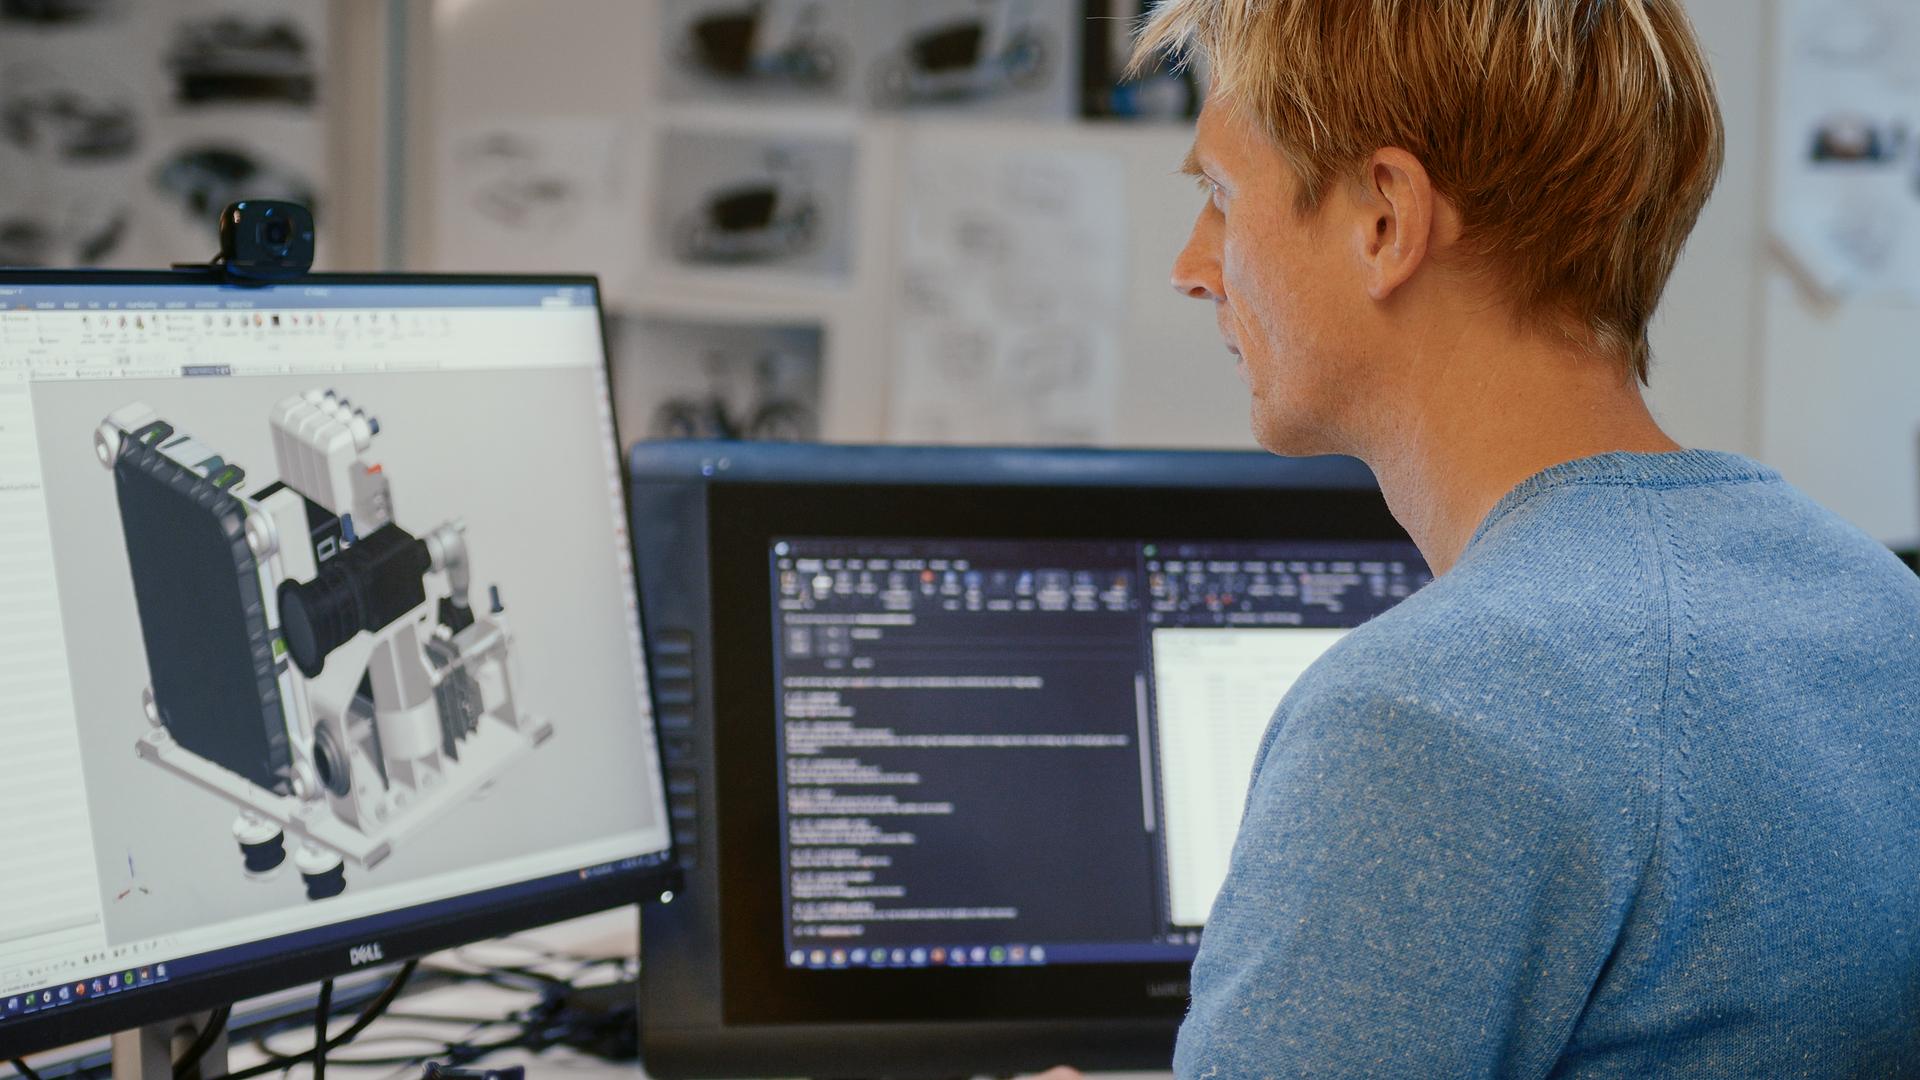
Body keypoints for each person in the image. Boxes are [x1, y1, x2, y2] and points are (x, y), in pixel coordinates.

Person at [1050, 0, 1920, 1075]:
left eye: (1223, 199)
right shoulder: (1879, 607)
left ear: (1385, 221)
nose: (1193, 264)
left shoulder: (1427, 717)